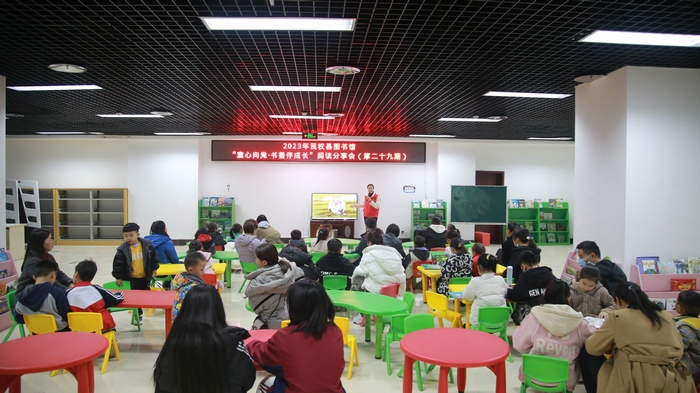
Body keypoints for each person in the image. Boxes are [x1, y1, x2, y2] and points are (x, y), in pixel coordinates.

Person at [584, 282, 694, 393]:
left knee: (585, 353)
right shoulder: (667, 317)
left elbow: (592, 348)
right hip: (671, 381)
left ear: (618, 300)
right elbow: (679, 349)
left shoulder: (619, 317)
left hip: (633, 380)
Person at [153, 285, 256, 393]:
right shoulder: (233, 343)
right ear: (218, 310)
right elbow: (247, 380)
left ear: (185, 310)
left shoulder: (173, 344)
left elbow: (163, 383)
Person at [247, 280, 345, 393]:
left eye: (287, 302)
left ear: (296, 306)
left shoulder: (286, 336)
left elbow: (262, 356)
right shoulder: (335, 332)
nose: (285, 305)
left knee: (266, 383)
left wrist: (249, 343)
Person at [513, 279, 596, 392]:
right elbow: (594, 341)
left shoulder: (534, 317)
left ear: (545, 295)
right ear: (568, 297)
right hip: (565, 380)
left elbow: (519, 346)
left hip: (533, 376)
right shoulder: (578, 322)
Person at [351, 228, 406, 323]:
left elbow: (359, 272)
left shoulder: (369, 255)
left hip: (376, 293)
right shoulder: (395, 254)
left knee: (358, 278)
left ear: (370, 242)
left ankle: (363, 313)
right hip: (394, 293)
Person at [245, 243, 305, 329]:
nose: (255, 260)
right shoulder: (296, 271)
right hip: (297, 321)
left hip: (273, 325)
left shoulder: (258, 281)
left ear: (264, 262)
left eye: (256, 258)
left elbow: (254, 305)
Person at [112, 222, 160, 322]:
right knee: (134, 298)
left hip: (144, 276)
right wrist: (118, 277)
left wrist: (154, 268)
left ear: (138, 235)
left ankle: (140, 310)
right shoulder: (122, 250)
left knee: (145, 296)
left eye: (131, 235)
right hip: (131, 278)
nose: (128, 238)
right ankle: (138, 315)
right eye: (126, 236)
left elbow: (153, 258)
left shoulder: (147, 246)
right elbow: (118, 264)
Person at [66, 259, 125, 332]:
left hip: (78, 329)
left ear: (76, 274)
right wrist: (120, 294)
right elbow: (115, 299)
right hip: (101, 329)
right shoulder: (98, 290)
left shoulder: (68, 293)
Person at [14, 259, 70, 331]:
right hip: (58, 333)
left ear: (34, 277)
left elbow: (18, 318)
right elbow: (65, 315)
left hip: (35, 332)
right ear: (53, 275)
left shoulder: (23, 294)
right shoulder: (57, 292)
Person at [16, 228, 73, 294]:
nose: (52, 241)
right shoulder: (32, 262)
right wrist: (67, 290)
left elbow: (59, 273)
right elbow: (48, 281)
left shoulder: (48, 257)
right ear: (40, 243)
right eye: (49, 239)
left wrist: (70, 282)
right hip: (29, 297)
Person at [506, 250, 555, 325]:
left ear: (523, 267)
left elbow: (514, 296)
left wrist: (507, 290)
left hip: (531, 317)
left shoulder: (525, 277)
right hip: (549, 314)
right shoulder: (549, 274)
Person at [462, 253, 508, 327]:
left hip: (480, 323)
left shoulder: (475, 281)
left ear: (479, 268)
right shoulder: (501, 279)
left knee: (467, 319)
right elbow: (505, 292)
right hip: (500, 321)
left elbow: (467, 296)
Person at [172, 252, 207, 321]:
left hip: (177, 321)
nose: (204, 272)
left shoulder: (181, 281)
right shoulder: (193, 288)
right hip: (188, 322)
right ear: (191, 270)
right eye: (201, 269)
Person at [675, 290, 700, 385]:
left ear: (680, 308)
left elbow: (676, 351)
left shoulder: (682, 328)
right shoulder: (696, 323)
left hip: (689, 374)